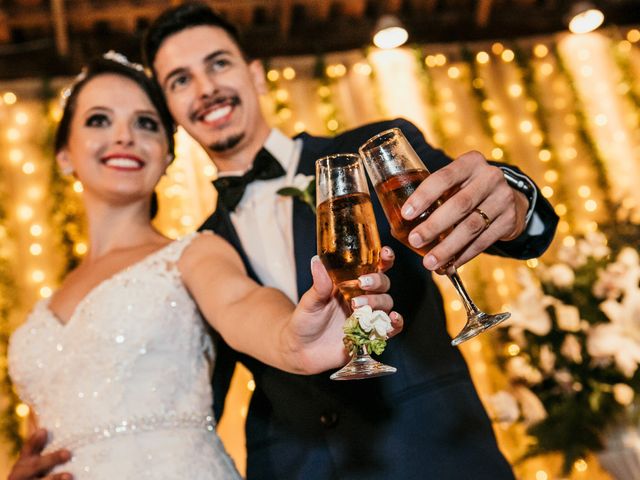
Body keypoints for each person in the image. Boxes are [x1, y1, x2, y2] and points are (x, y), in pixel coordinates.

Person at [134, 4, 560, 479]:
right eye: (179, 80)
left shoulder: (374, 148)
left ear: (255, 75)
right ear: (171, 110)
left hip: (436, 456)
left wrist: (512, 197)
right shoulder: (195, 250)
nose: (205, 88)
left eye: (218, 63)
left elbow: (489, 212)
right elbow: (193, 403)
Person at [6, 53, 400, 480]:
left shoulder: (195, 253)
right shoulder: (41, 309)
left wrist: (292, 342)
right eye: (99, 120)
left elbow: (243, 302)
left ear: (167, 157)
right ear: (64, 155)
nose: (124, 136)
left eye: (147, 123)